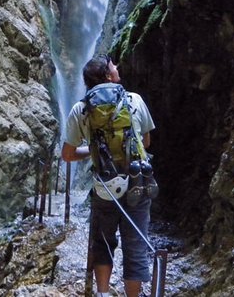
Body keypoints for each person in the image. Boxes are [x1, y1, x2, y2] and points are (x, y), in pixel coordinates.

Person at [61, 54, 156, 297]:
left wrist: (92, 151)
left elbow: (68, 154)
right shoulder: (134, 100)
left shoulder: (80, 109)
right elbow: (146, 141)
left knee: (103, 243)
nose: (118, 68)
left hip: (104, 187)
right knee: (136, 246)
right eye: (114, 67)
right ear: (107, 75)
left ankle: (103, 293)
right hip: (137, 183)